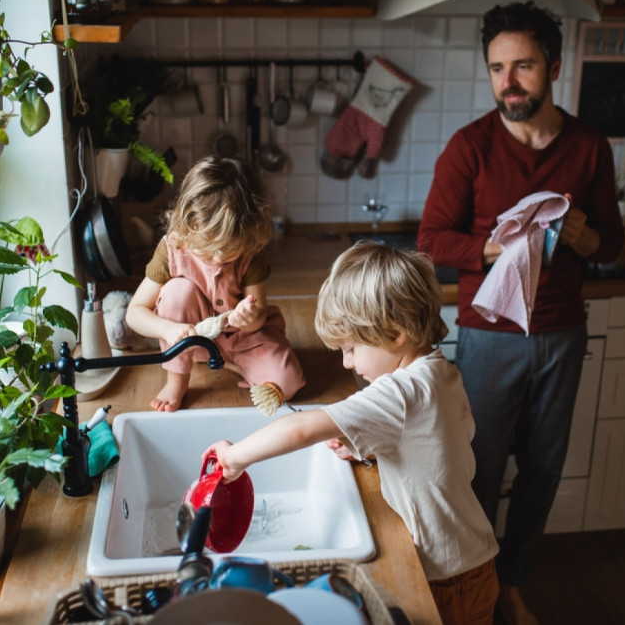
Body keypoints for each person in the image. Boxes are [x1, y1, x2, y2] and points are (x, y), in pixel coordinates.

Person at [417, 1, 625, 625]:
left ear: (554, 67)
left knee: (542, 468)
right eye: (497, 68)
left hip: (562, 331)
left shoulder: (589, 146)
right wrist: (493, 247)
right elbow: (431, 239)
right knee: (479, 467)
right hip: (488, 336)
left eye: (524, 66)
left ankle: (513, 585)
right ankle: (474, 587)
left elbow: (612, 245)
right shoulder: (470, 146)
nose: (508, 81)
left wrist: (584, 234)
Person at [204, 243, 500, 625]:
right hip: (474, 560)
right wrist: (372, 447)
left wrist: (234, 457)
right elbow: (435, 446)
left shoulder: (399, 392)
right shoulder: (440, 372)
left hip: (446, 578)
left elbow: (302, 428)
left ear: (394, 333)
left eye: (351, 348)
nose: (347, 363)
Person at [125, 156, 305, 411]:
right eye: (208, 250)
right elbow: (134, 313)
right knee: (177, 291)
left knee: (288, 383)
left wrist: (248, 317)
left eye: (230, 250)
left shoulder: (251, 250)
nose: (219, 259)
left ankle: (232, 362)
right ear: (189, 224)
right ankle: (177, 380)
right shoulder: (173, 248)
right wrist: (168, 329)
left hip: (244, 340)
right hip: (193, 340)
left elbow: (259, 317)